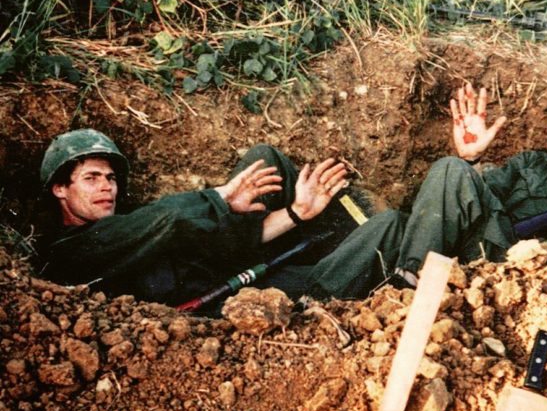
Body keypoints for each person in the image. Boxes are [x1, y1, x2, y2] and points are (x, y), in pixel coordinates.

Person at [290, 77, 547, 300]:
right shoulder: (532, 164)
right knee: (394, 220)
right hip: (472, 250)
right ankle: (313, 299)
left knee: (448, 174)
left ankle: (406, 287)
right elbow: (463, 198)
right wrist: (470, 160)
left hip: (520, 279)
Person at [39, 129, 349, 306]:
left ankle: (345, 237)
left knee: (265, 159)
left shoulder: (134, 225)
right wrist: (220, 197)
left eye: (110, 178)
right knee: (383, 232)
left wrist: (297, 213)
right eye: (91, 178)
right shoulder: (70, 250)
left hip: (235, 268)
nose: (106, 187)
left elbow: (227, 239)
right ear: (59, 189)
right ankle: (369, 250)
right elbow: (169, 218)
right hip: (222, 305)